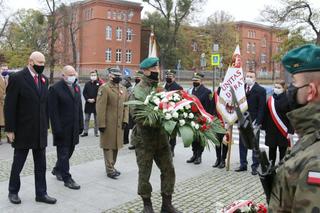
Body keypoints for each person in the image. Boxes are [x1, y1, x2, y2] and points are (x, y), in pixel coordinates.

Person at [268, 44, 320, 211]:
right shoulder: (311, 136)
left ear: (311, 91)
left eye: (294, 83)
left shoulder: (315, 163)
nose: (290, 89)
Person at [4, 51, 57, 204]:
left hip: (40, 130)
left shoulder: (44, 80)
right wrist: (10, 129)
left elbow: (44, 104)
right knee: (18, 163)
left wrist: (46, 126)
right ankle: (13, 191)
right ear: (30, 61)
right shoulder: (17, 78)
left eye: (43, 63)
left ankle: (41, 193)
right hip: (23, 130)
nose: (42, 66)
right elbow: (9, 106)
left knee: (41, 164)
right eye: (39, 63)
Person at [130, 57, 181, 213]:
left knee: (169, 170)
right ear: (145, 71)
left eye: (157, 69)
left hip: (161, 139)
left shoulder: (160, 88)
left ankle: (167, 204)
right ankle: (147, 205)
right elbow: (137, 116)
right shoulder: (138, 90)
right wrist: (158, 116)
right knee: (144, 173)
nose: (156, 71)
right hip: (144, 140)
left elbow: (168, 107)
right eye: (153, 69)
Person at [48, 65, 83, 190]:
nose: (73, 76)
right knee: (63, 154)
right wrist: (56, 129)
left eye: (74, 74)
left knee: (70, 152)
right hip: (62, 129)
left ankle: (57, 169)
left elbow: (79, 107)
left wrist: (81, 124)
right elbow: (53, 112)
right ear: (63, 75)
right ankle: (67, 179)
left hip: (73, 128)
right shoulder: (55, 89)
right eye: (70, 74)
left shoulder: (76, 87)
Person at [96, 68, 129, 179]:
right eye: (116, 75)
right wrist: (101, 124)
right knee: (108, 146)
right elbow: (100, 107)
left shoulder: (123, 89)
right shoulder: (104, 88)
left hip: (119, 123)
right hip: (108, 122)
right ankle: (109, 169)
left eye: (120, 75)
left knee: (116, 146)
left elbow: (126, 105)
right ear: (110, 76)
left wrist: (125, 120)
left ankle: (112, 166)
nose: (118, 77)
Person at [235, 71, 266, 175]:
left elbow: (262, 108)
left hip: (254, 121)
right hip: (242, 120)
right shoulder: (241, 89)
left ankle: (255, 166)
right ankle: (243, 164)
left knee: (254, 144)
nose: (248, 78)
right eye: (247, 76)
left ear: (255, 78)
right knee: (242, 143)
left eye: (251, 76)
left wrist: (258, 121)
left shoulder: (260, 90)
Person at [262, 80, 293, 166]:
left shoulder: (288, 99)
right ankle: (271, 169)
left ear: (284, 88)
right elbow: (265, 114)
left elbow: (291, 116)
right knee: (272, 151)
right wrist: (263, 128)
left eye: (278, 87)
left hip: (282, 130)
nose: (276, 89)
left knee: (282, 151)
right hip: (271, 130)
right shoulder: (270, 99)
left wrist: (291, 131)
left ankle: (282, 168)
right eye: (275, 87)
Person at [186, 72, 213, 165]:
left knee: (200, 138)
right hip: (192, 117)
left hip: (202, 118)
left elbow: (209, 106)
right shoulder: (190, 90)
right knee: (193, 138)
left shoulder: (207, 91)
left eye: (196, 80)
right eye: (193, 80)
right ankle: (194, 154)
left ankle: (199, 156)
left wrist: (208, 119)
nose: (194, 82)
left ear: (201, 81)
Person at [164, 70, 183, 156]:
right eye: (167, 76)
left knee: (172, 133)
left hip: (174, 112)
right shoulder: (164, 86)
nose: (168, 78)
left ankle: (172, 150)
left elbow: (181, 100)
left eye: (170, 77)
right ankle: (165, 149)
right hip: (164, 111)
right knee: (165, 133)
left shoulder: (178, 87)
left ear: (174, 78)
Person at [81, 70, 101, 137]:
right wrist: (87, 99)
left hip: (96, 104)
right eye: (92, 75)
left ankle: (96, 132)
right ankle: (85, 131)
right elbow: (84, 93)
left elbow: (100, 94)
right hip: (88, 103)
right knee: (86, 119)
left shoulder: (99, 84)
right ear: (90, 76)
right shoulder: (87, 84)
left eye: (94, 75)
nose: (93, 76)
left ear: (97, 76)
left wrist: (94, 99)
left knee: (96, 119)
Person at [212, 86, 228, 168]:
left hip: (226, 122)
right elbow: (212, 106)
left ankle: (223, 160)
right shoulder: (218, 91)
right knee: (217, 142)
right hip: (217, 122)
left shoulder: (230, 93)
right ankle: (218, 159)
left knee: (225, 142)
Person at [128, 71, 143, 150]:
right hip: (132, 111)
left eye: (138, 78)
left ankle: (139, 144)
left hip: (139, 111)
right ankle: (134, 143)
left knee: (139, 129)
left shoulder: (142, 87)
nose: (136, 79)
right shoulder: (134, 86)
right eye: (136, 78)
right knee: (134, 129)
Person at [121, 75, 133, 145]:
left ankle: (125, 140)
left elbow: (127, 98)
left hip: (128, 108)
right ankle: (124, 139)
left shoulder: (129, 88)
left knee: (126, 125)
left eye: (124, 80)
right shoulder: (124, 88)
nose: (123, 81)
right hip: (125, 107)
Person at [0, 66, 8, 145]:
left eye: (6, 69)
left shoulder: (9, 78)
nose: (5, 70)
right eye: (3, 69)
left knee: (8, 120)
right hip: (1, 102)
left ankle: (9, 138)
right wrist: (3, 96)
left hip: (8, 103)